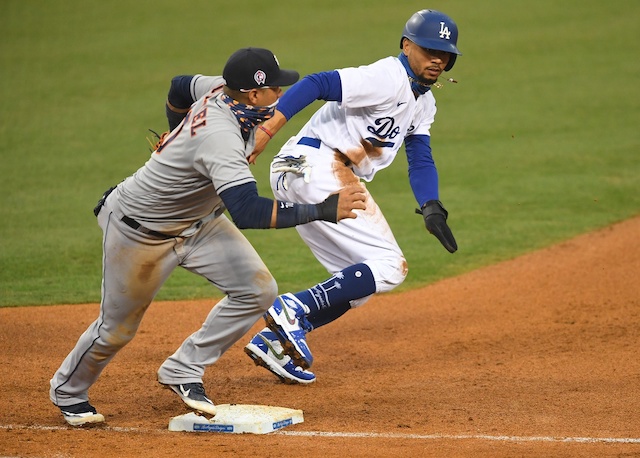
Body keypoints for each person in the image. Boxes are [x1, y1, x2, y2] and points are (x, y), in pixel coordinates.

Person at [49, 47, 367, 426]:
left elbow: (179, 85)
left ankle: (183, 369)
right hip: (141, 231)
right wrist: (323, 209)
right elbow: (248, 211)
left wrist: (176, 127)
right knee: (117, 329)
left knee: (257, 289)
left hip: (200, 222)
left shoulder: (220, 88)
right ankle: (68, 391)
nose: (280, 95)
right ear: (253, 95)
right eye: (275, 89)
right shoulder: (221, 138)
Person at [165, 9, 461, 386]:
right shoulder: (388, 77)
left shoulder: (423, 103)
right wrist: (270, 127)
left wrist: (431, 205)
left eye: (445, 53)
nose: (437, 58)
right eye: (428, 49)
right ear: (406, 46)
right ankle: (293, 308)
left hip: (306, 170)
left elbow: (420, 156)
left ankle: (274, 340)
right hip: (317, 165)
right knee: (390, 265)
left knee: (358, 284)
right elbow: (318, 82)